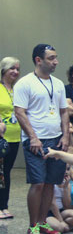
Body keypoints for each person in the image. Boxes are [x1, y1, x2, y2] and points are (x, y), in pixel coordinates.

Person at [13, 44, 70, 234]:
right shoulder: (25, 83)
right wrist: (33, 137)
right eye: (51, 58)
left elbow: (64, 111)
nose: (56, 62)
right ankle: (32, 226)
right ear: (38, 60)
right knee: (37, 183)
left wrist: (65, 136)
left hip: (56, 139)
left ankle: (43, 222)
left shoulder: (58, 83)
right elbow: (19, 112)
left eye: (56, 57)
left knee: (50, 184)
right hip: (35, 140)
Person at [0, 57, 22, 220]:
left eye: (17, 69)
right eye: (11, 68)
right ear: (4, 70)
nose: (15, 72)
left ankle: (4, 206)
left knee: (6, 172)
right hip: (2, 137)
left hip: (14, 137)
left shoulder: (16, 89)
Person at [45, 165, 73, 233]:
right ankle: (69, 226)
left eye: (68, 169)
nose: (66, 172)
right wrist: (61, 221)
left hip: (61, 211)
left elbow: (67, 206)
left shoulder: (67, 184)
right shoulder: (50, 184)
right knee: (59, 228)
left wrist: (65, 188)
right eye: (63, 169)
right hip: (48, 213)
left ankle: (67, 226)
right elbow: (52, 205)